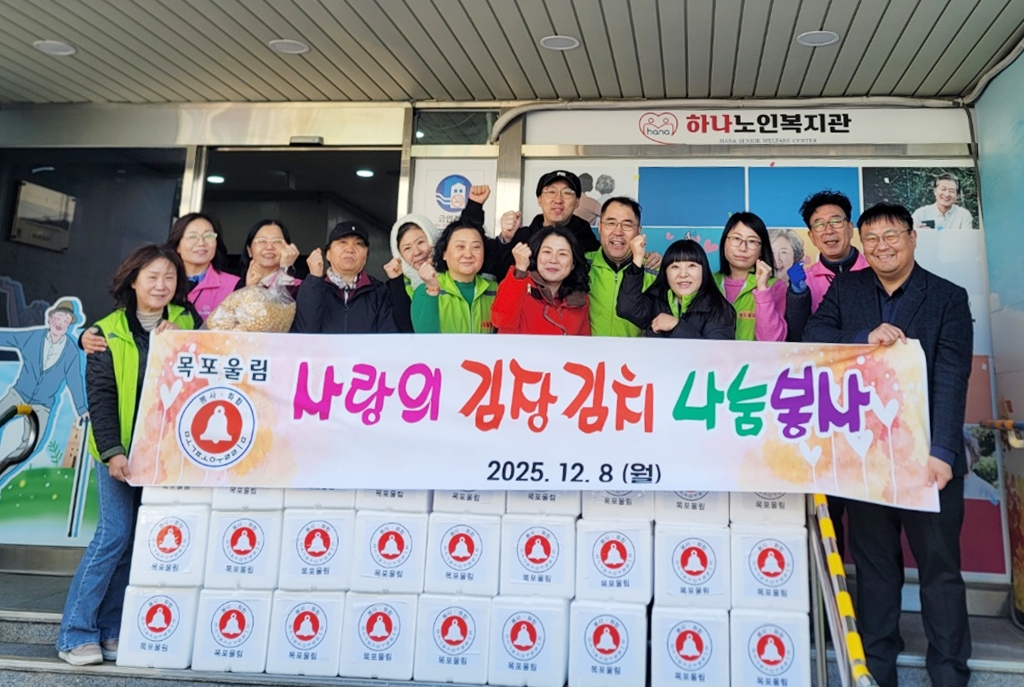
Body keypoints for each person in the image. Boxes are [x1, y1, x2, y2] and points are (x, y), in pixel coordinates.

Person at [804, 202, 973, 687]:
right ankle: (876, 666)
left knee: (940, 569)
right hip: (868, 459)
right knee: (875, 568)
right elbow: (816, 336)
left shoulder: (947, 297)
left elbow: (952, 374)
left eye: (892, 235)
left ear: (912, 237)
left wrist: (943, 452)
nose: (882, 246)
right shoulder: (848, 289)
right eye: (872, 238)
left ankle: (949, 670)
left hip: (927, 460)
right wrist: (864, 336)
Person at [56, 244, 199, 666]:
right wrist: (113, 452)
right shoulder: (106, 331)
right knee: (114, 534)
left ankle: (111, 630)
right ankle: (74, 632)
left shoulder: (189, 322)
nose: (161, 285)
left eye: (169, 277)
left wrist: (179, 343)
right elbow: (100, 396)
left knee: (138, 540)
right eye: (152, 277)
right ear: (133, 281)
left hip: (167, 455)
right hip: (120, 451)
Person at [0, 299, 88, 454]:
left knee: (29, 446)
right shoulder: (33, 337)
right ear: (50, 319)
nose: (61, 323)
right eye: (58, 317)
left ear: (69, 325)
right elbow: (9, 337)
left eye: (66, 320)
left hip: (42, 406)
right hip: (18, 394)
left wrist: (81, 409)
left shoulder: (71, 351)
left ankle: (4, 467)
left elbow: (75, 380)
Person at [786, 191, 872, 343]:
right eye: (819, 224)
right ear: (812, 237)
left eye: (836, 221)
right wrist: (797, 295)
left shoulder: (876, 272)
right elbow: (798, 337)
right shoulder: (805, 281)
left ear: (850, 229)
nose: (829, 230)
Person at [616, 237, 735, 339]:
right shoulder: (656, 301)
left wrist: (676, 326)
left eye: (691, 266)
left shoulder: (720, 310)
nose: (683, 274)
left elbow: (715, 354)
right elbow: (626, 308)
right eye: (675, 267)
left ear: (703, 271)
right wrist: (637, 259)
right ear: (665, 272)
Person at [291, 221, 397, 334]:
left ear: (366, 256)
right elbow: (305, 332)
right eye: (342, 242)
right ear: (328, 254)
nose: (350, 249)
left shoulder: (379, 292)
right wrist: (314, 279)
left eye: (358, 244)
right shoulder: (312, 288)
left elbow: (389, 338)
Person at [491, 225, 591, 336]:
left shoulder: (579, 299)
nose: (553, 260)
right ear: (536, 256)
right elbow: (501, 321)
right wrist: (520, 269)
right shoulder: (519, 284)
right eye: (547, 252)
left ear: (573, 264)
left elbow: (583, 342)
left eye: (562, 254)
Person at [588, 197, 659, 337]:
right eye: (611, 223)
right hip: (587, 351)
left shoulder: (655, 272)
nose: (618, 232)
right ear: (600, 228)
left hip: (636, 351)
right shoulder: (581, 266)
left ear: (638, 231)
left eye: (627, 225)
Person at [411, 221, 497, 334]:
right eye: (460, 247)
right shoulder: (424, 291)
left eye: (476, 247)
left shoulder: (495, 290)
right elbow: (425, 339)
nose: (468, 254)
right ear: (444, 253)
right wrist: (432, 291)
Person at [715, 212, 787, 341]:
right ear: (724, 242)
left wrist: (762, 290)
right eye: (736, 239)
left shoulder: (775, 287)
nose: (743, 248)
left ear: (761, 250)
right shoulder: (708, 282)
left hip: (757, 355)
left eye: (752, 241)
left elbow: (771, 341)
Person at [167, 213, 239, 318]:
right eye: (192, 237)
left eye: (209, 236)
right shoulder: (161, 282)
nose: (201, 243)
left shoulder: (235, 286)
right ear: (178, 246)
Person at [383, 213, 443, 333]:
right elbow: (406, 329)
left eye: (420, 242)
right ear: (399, 254)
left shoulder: (455, 275)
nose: (416, 252)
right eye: (407, 248)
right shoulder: (397, 285)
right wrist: (396, 281)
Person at [237, 219, 302, 295]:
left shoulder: (299, 287)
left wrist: (285, 270)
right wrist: (250, 287)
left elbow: (285, 299)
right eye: (262, 241)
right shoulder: (236, 285)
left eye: (277, 241)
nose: (269, 247)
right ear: (249, 251)